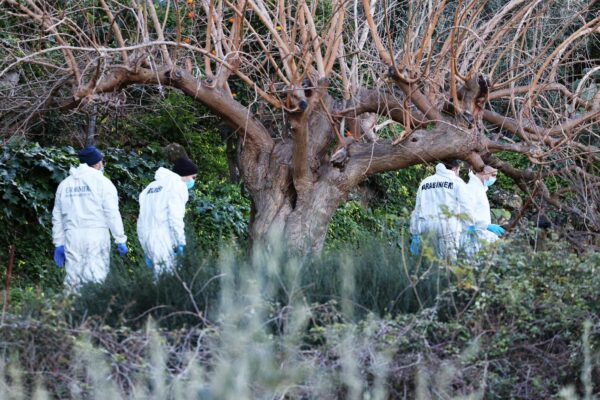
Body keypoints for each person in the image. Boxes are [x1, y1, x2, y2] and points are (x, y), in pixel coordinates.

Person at [52, 146, 128, 289]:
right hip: (96, 235)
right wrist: (120, 239)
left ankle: (73, 310)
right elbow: (111, 213)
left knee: (73, 279)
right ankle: (94, 311)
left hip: (72, 236)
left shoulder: (65, 184)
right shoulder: (103, 183)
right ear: (98, 163)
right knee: (96, 276)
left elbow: (57, 217)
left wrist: (59, 243)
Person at [137, 157, 198, 273]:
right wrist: (181, 242)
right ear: (185, 174)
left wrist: (145, 247)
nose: (193, 181)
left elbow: (141, 220)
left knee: (157, 281)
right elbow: (175, 217)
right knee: (169, 282)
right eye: (193, 177)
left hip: (147, 238)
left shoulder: (150, 187)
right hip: (164, 238)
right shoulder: (178, 185)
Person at [409, 159, 475, 262]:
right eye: (459, 170)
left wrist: (415, 233)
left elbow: (417, 209)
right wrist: (470, 226)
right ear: (455, 168)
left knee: (428, 265)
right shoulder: (456, 181)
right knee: (447, 265)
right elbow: (466, 207)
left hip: (426, 226)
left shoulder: (426, 182)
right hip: (448, 227)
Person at [461, 165, 505, 256]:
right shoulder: (471, 189)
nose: (495, 178)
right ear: (483, 172)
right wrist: (487, 226)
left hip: (480, 238)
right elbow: (466, 215)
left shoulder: (480, 189)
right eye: (493, 175)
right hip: (473, 240)